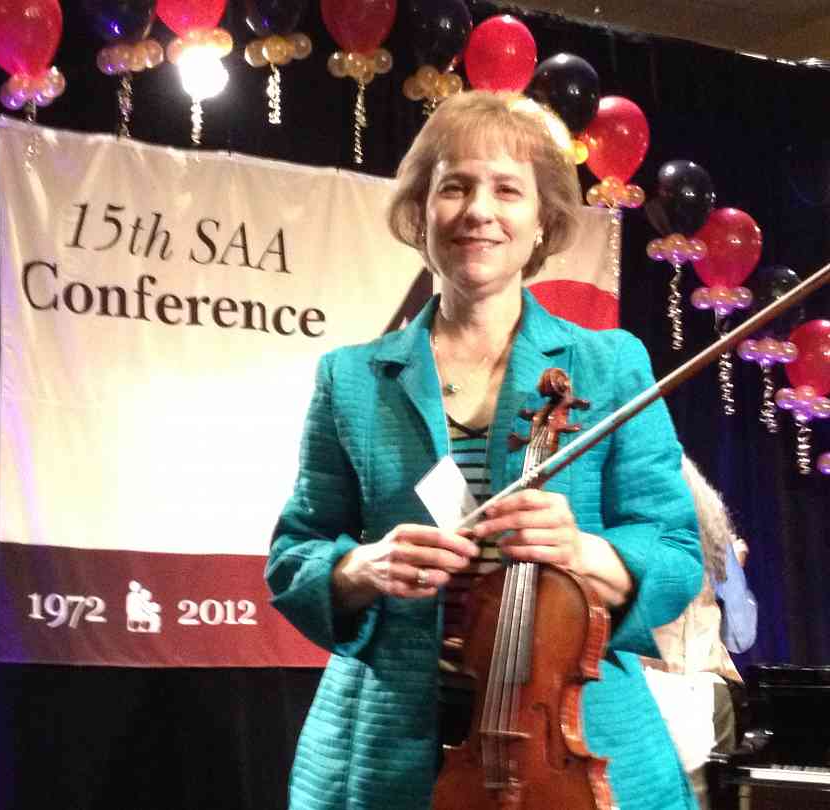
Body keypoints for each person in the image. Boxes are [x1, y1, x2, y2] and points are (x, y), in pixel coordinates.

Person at [265, 90, 704, 810]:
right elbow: (295, 552)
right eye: (454, 187)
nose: (479, 210)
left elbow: (675, 550)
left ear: (542, 222)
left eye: (507, 190)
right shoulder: (350, 378)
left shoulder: (611, 364)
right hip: (382, 748)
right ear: (421, 213)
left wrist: (586, 552)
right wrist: (359, 566)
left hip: (576, 741)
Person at [642, 456, 753, 809]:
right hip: (702, 690)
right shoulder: (718, 549)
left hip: (639, 684)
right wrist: (736, 574)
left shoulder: (628, 539)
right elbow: (741, 637)